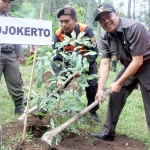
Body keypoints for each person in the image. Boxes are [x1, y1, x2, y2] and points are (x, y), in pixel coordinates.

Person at [91, 3, 150, 141]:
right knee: (115, 95)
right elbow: (105, 63)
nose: (106, 21)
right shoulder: (105, 38)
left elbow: (138, 61)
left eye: (108, 16)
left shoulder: (134, 27)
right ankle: (107, 133)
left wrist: (119, 82)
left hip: (147, 65)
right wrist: (100, 89)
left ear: (117, 14)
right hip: (130, 65)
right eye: (101, 20)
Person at [52, 6, 100, 123]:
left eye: (66, 21)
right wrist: (59, 75)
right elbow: (55, 57)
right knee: (58, 84)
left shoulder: (86, 30)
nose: (63, 24)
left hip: (86, 62)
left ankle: (92, 111)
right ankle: (44, 107)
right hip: (69, 63)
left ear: (75, 20)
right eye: (61, 21)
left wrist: (82, 68)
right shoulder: (58, 34)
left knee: (93, 86)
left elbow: (94, 52)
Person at [0, 0, 26, 114]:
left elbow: (17, 38)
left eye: (9, 2)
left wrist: (19, 54)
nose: (7, 4)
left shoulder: (12, 20)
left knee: (15, 80)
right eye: (4, 1)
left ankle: (19, 106)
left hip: (10, 54)